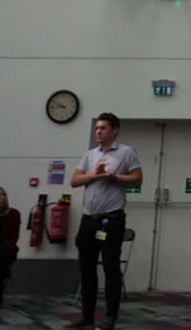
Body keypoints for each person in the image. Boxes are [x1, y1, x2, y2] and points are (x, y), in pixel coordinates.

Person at [64, 113, 142, 330]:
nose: (98, 132)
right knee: (87, 269)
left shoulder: (126, 152)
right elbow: (74, 181)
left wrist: (114, 177)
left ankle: (110, 318)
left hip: (112, 219)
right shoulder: (90, 154)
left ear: (114, 130)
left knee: (111, 269)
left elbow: (137, 179)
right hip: (89, 219)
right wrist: (94, 176)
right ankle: (87, 316)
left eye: (103, 128)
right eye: (97, 128)